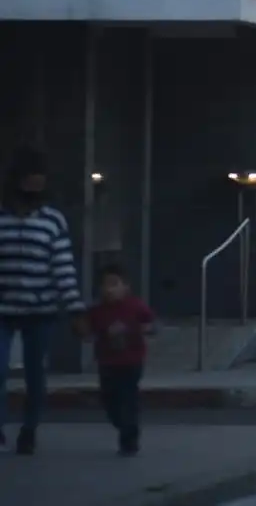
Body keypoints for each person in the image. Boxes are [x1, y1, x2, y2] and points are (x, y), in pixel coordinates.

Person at [0, 146, 87, 455]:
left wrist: (75, 308)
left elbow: (62, 267)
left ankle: (29, 429)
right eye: (29, 183)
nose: (34, 189)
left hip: (41, 309)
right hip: (4, 308)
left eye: (40, 183)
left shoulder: (52, 220)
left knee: (35, 373)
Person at [85, 263, 155, 456]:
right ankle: (121, 422)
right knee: (109, 397)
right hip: (107, 362)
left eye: (114, 284)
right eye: (105, 285)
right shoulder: (97, 311)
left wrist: (143, 329)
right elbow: (88, 331)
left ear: (126, 287)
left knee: (129, 396)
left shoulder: (135, 305)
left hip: (132, 360)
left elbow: (150, 323)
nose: (109, 289)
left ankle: (129, 438)